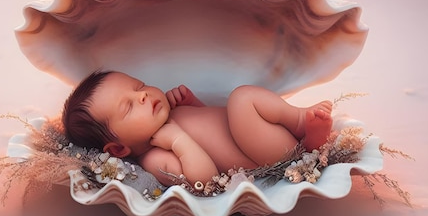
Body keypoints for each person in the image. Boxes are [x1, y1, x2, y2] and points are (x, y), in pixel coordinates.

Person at [62, 70, 333, 186]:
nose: (143, 96)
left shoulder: (170, 117)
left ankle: (300, 123)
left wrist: (193, 105)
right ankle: (306, 137)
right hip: (266, 154)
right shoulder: (155, 156)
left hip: (263, 136)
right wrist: (179, 140)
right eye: (129, 107)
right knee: (241, 99)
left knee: (240, 101)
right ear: (119, 148)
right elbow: (203, 177)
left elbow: (214, 125)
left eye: (140, 86)